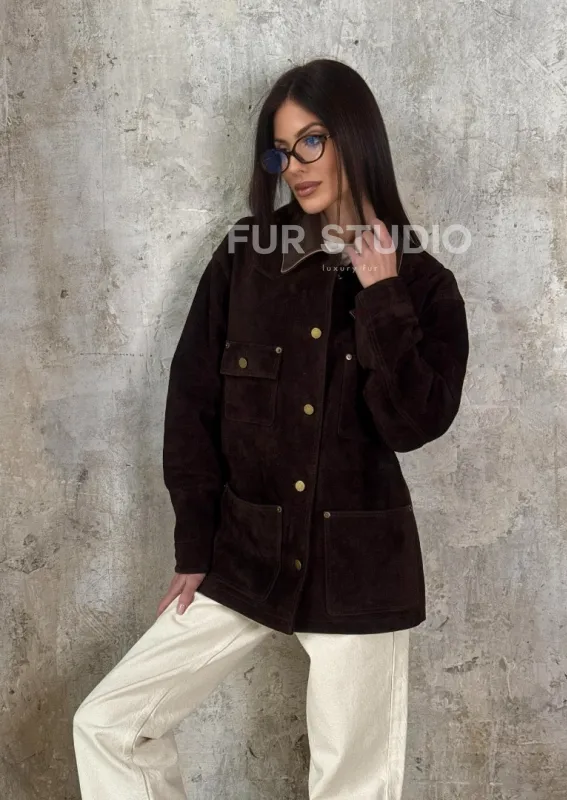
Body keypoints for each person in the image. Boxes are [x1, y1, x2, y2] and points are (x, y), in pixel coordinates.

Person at [73, 57, 469, 799]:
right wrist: (196, 542)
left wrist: (382, 294)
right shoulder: (244, 258)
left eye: (311, 141)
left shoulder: (424, 284)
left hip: (359, 570)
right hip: (247, 550)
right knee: (110, 724)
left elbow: (415, 423)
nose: (294, 166)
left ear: (355, 135)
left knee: (353, 786)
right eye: (281, 151)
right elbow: (193, 401)